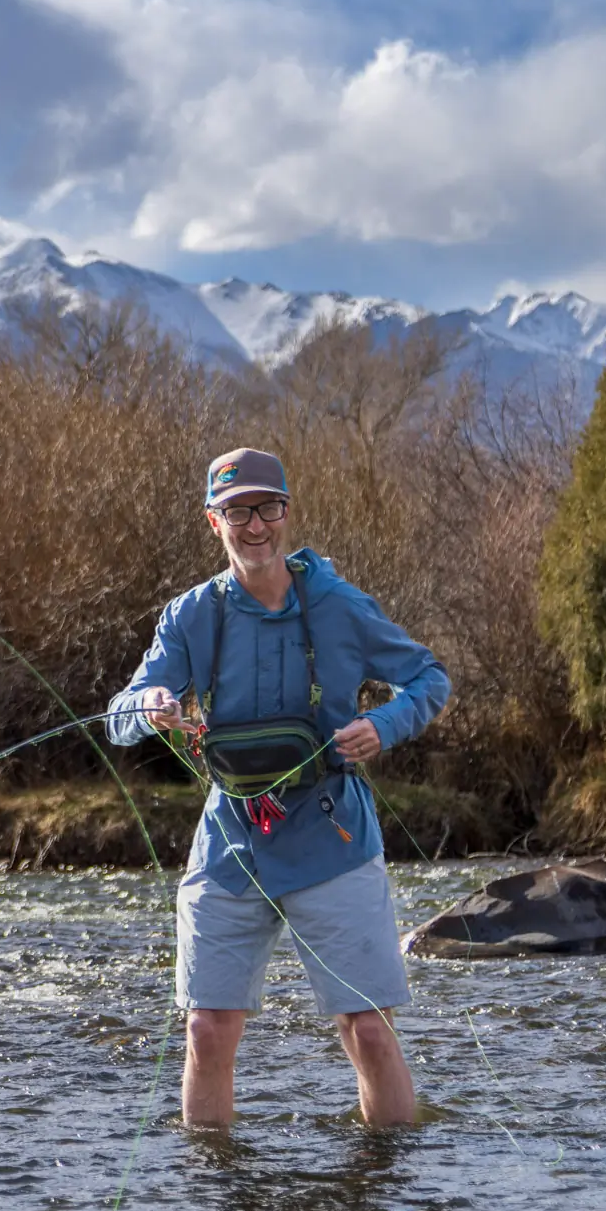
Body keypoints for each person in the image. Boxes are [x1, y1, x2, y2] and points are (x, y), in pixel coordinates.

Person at [107, 448, 449, 1128]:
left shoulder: (342, 607)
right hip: (231, 842)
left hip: (333, 838)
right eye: (237, 511)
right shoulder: (189, 617)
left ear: (287, 513)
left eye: (267, 508)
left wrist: (385, 725)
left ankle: (388, 1187)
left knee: (370, 1032)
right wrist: (148, 704)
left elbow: (429, 679)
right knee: (206, 1031)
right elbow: (118, 718)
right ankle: (215, 1199)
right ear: (214, 522)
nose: (254, 525)